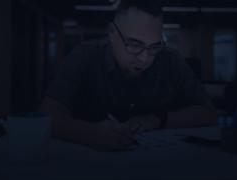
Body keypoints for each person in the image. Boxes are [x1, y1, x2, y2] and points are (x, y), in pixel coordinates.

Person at [40, 0, 217, 151]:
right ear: (111, 33)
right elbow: (48, 115)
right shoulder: (84, 56)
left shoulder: (170, 59)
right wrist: (90, 133)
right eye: (134, 44)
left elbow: (208, 113)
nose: (145, 58)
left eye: (154, 46)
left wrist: (159, 119)